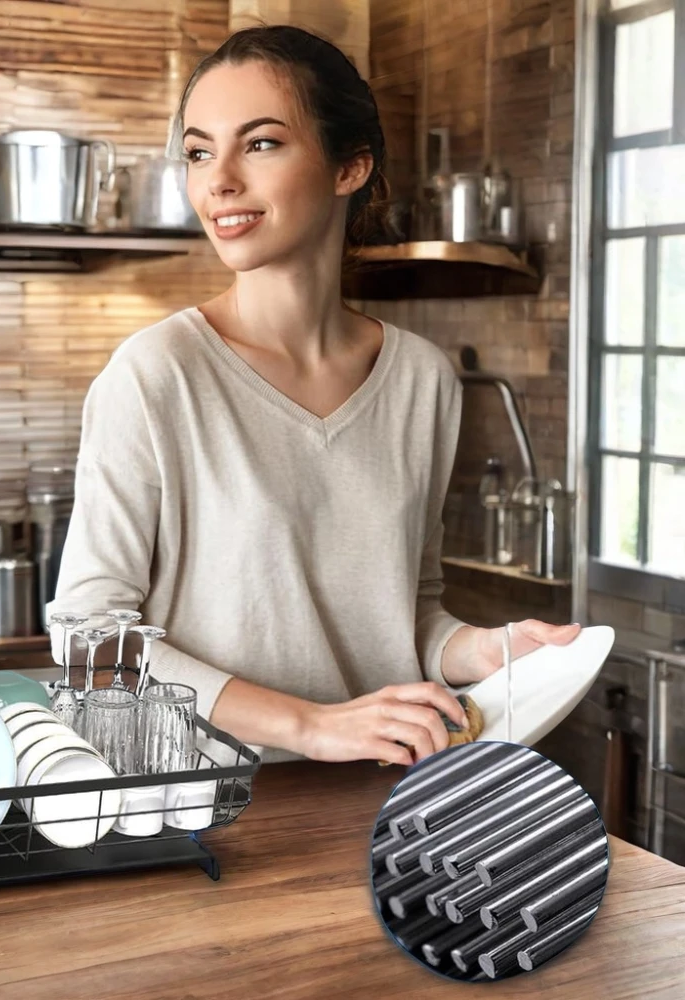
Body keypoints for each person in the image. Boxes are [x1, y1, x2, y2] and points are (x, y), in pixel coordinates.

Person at [47, 25, 579, 766]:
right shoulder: (155, 374)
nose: (218, 180)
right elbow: (91, 641)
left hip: (389, 800)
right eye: (200, 151)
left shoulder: (424, 382)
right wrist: (310, 725)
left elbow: (404, 612)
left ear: (348, 166)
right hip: (209, 816)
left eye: (259, 143)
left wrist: (483, 650)